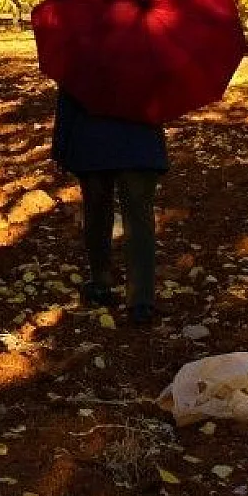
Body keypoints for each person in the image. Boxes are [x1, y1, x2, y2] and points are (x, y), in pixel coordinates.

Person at [51, 87, 168, 324]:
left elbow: (69, 95)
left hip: (93, 141)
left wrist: (61, 147)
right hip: (141, 144)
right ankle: (141, 301)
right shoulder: (150, 51)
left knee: (96, 212)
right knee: (139, 220)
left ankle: (101, 284)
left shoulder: (83, 52)